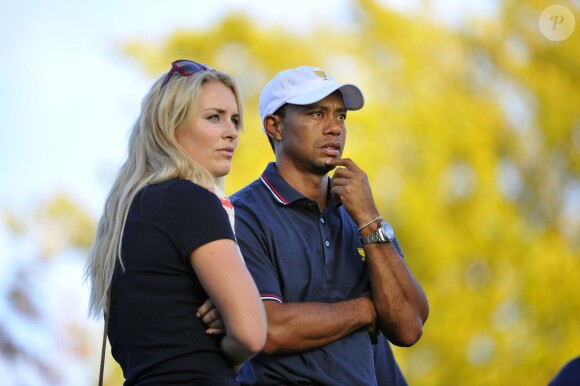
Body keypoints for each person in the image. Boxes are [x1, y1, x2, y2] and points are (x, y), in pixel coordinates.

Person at [231, 65, 429, 385]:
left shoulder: (361, 214)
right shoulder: (243, 214)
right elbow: (267, 328)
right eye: (317, 114)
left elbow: (409, 327)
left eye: (340, 116)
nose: (334, 128)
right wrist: (367, 310)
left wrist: (368, 219)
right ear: (275, 127)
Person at [84, 59, 267, 385]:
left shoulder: (132, 212)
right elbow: (251, 334)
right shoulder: (188, 200)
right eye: (214, 117)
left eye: (235, 120)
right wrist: (228, 345)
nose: (232, 133)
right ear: (171, 126)